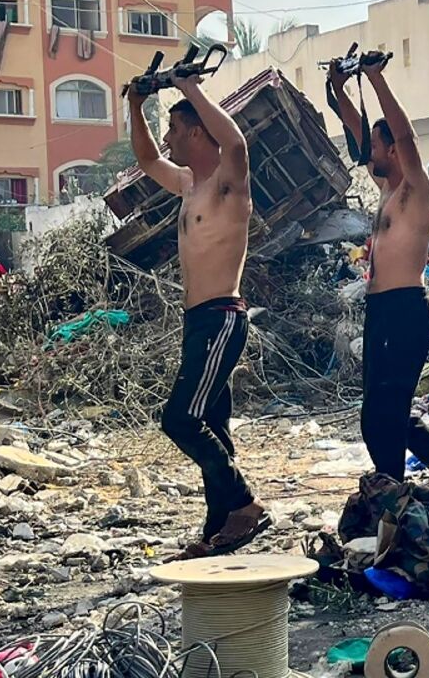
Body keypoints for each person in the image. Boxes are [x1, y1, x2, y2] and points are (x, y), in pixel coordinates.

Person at [128, 74, 269, 560]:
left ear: (193, 132)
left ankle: (245, 503)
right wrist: (135, 104)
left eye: (172, 130)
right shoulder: (189, 183)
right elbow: (147, 160)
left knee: (181, 419)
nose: (166, 139)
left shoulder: (230, 184)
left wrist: (190, 88)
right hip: (198, 321)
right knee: (212, 422)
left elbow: (235, 140)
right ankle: (218, 530)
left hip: (222, 317)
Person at [326, 55, 429, 481]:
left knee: (384, 412)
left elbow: (403, 134)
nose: (370, 151)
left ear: (392, 150)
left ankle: (392, 488)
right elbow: (358, 131)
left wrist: (375, 79)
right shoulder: (386, 187)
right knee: (383, 413)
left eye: (377, 145)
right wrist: (338, 87)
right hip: (380, 311)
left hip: (406, 309)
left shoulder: (415, 190)